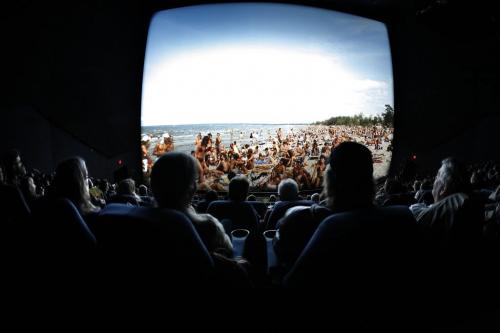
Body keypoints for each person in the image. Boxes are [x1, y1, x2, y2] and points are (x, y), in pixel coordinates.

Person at [150, 152, 232, 256]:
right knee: (227, 222)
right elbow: (229, 251)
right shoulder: (208, 225)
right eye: (194, 180)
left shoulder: (142, 223)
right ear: (192, 188)